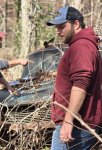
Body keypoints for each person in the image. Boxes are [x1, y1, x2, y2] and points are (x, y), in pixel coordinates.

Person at [47, 6, 102, 150]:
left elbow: (80, 84)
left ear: (76, 24)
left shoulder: (81, 46)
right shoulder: (82, 45)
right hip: (77, 124)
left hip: (77, 126)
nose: (58, 31)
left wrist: (68, 120)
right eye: (57, 27)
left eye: (62, 26)